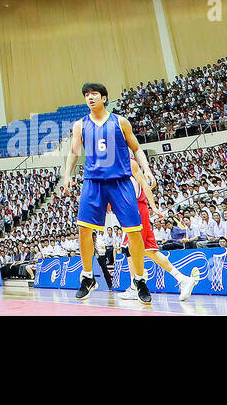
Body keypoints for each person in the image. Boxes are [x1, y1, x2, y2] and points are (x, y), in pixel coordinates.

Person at [59, 84, 153, 304]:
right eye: (86, 95)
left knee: (134, 232)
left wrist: (146, 169)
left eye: (93, 94)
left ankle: (139, 279)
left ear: (104, 98)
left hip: (120, 182)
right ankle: (88, 277)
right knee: (83, 229)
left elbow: (137, 148)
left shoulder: (120, 122)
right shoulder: (80, 125)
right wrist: (67, 175)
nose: (89, 98)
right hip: (93, 182)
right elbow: (74, 152)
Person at [116, 158, 196, 301]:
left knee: (130, 250)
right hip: (135, 210)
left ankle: (135, 286)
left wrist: (153, 206)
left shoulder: (128, 162)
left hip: (136, 210)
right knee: (150, 251)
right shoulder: (116, 165)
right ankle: (182, 279)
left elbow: (145, 186)